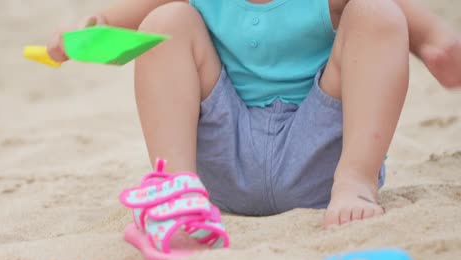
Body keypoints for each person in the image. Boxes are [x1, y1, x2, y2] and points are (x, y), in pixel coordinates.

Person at [47, 0, 461, 228]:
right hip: (225, 153)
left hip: (318, 155)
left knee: (378, 11)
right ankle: (177, 189)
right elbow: (115, 19)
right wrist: (91, 29)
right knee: (165, 20)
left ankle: (357, 181)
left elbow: (406, 14)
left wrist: (437, 41)